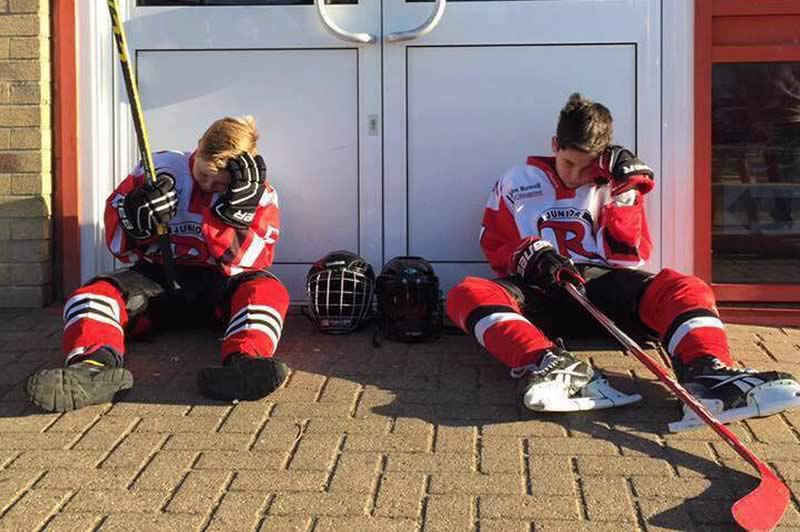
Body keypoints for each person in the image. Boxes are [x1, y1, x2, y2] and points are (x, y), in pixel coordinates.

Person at [447, 93, 800, 427]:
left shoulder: (613, 184)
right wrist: (529, 255)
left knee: (685, 286)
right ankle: (544, 364)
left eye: (586, 167)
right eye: (569, 162)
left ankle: (708, 375)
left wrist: (627, 193)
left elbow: (627, 256)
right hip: (541, 289)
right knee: (467, 293)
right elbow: (493, 242)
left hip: (599, 287)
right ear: (555, 145)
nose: (575, 175)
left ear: (600, 158)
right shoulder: (517, 180)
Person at [26, 116, 289, 412]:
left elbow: (253, 263)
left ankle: (245, 364)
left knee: (269, 292)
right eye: (203, 175)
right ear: (198, 148)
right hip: (157, 279)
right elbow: (119, 243)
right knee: (91, 294)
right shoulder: (156, 169)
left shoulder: (259, 193)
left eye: (219, 184)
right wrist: (135, 223)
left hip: (218, 285)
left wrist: (234, 220)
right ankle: (90, 368)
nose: (208, 186)